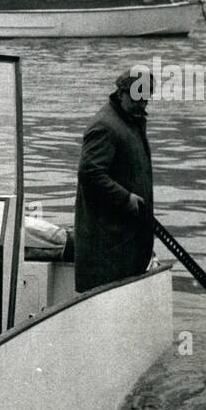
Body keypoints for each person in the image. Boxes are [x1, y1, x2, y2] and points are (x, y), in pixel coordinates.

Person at [73, 69, 154, 293]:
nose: (142, 104)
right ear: (121, 94)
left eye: (146, 98)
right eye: (137, 97)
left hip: (126, 239)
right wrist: (125, 198)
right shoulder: (105, 126)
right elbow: (90, 173)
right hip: (107, 245)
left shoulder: (131, 121)